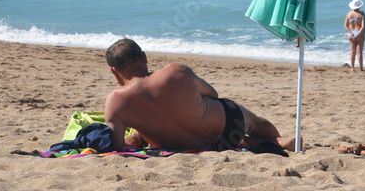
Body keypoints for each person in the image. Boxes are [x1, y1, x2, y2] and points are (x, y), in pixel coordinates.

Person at [103, 38, 295, 153]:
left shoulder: (116, 101)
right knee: (254, 123)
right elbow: (212, 94)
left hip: (199, 147)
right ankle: (279, 140)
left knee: (236, 141)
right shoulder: (175, 71)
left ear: (114, 71)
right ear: (145, 58)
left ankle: (273, 143)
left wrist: (140, 133)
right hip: (227, 127)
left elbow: (118, 146)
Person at [344, 0, 365, 72]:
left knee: (353, 51)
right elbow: (363, 26)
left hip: (351, 33)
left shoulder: (349, 14)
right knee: (360, 52)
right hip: (359, 33)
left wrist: (351, 33)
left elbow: (345, 25)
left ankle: (352, 68)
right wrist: (358, 35)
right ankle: (361, 68)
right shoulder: (361, 14)